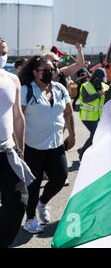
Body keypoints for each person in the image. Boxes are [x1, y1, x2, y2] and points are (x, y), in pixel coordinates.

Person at [18, 55, 76, 234]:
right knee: (33, 186)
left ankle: (43, 203)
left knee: (60, 178)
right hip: (32, 146)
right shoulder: (26, 91)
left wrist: (72, 135)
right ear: (35, 72)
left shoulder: (59, 88)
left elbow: (68, 113)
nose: (50, 73)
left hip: (55, 144)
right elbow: (18, 118)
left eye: (52, 69)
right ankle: (30, 219)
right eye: (46, 70)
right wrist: (18, 145)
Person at [0, 38, 33, 248]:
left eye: (3, 51)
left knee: (18, 200)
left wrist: (20, 151)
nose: (1, 55)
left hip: (7, 151)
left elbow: (18, 118)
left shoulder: (12, 79)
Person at [77, 68, 109, 160]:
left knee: (97, 135)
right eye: (100, 81)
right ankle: (83, 152)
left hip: (98, 116)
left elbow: (107, 98)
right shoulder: (85, 86)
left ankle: (83, 149)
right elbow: (86, 99)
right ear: (95, 79)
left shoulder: (104, 86)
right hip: (87, 117)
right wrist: (99, 94)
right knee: (95, 134)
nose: (102, 83)